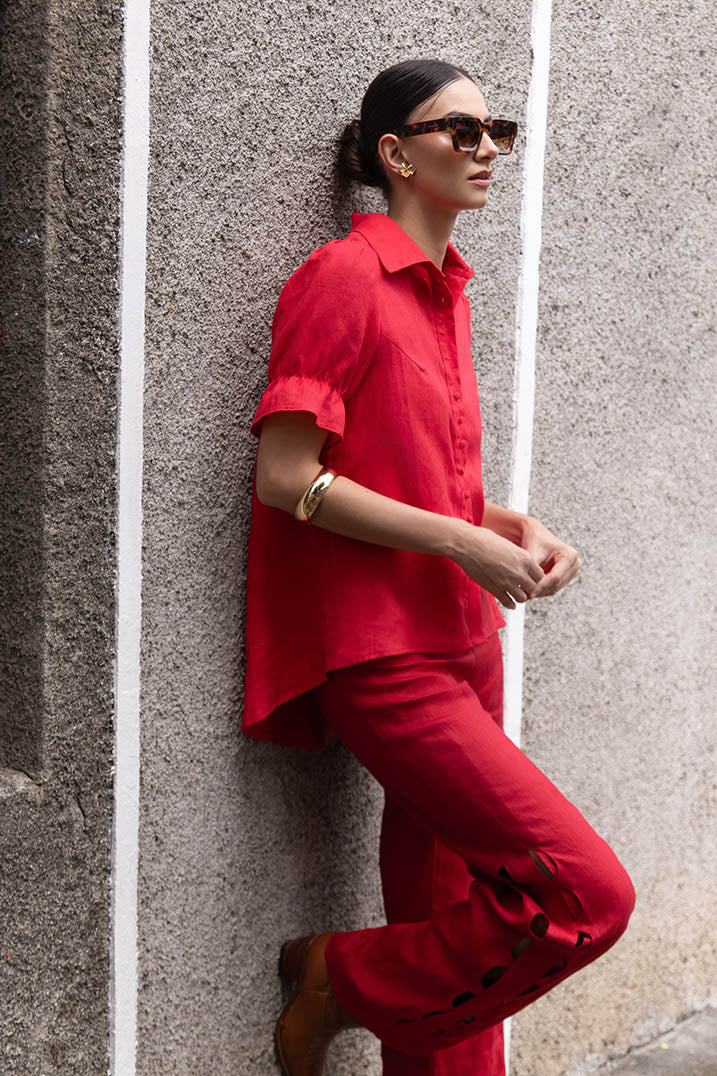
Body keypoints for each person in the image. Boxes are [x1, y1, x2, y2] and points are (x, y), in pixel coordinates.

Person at [243, 58, 635, 1076]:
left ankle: (379, 1001)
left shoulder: (446, 289)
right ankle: (340, 975)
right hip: (383, 654)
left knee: (465, 910)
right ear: (393, 154)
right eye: (459, 131)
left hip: (465, 639)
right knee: (586, 893)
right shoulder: (341, 279)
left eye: (493, 127)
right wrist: (463, 543)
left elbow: (426, 476)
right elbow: (288, 476)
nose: (486, 149)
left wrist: (508, 523)